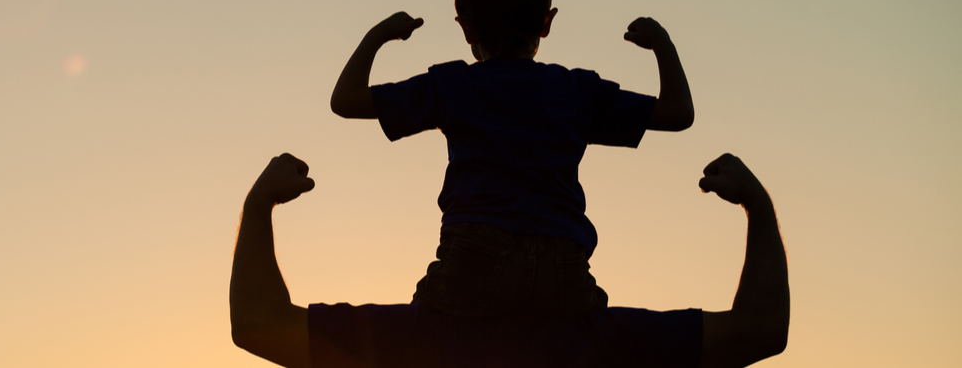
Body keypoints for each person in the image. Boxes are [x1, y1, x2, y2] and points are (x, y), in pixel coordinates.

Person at [329, 0, 695, 318]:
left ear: (466, 26)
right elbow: (678, 112)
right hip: (563, 262)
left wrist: (379, 35)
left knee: (419, 341)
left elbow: (345, 100)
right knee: (590, 339)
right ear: (546, 22)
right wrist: (661, 45)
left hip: (473, 252)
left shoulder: (452, 84)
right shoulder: (577, 90)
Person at [229, 153, 788, 368]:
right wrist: (757, 211)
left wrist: (259, 209)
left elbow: (260, 326)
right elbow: (759, 330)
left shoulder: (413, 341)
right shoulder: (603, 342)